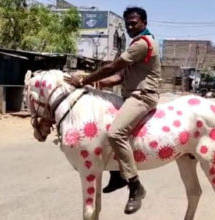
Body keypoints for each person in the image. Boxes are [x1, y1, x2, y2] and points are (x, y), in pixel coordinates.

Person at [65, 7, 161, 215]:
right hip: (130, 95)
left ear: (144, 22)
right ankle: (117, 175)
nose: (129, 26)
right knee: (102, 126)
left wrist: (84, 79)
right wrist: (96, 85)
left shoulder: (143, 44)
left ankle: (135, 187)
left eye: (133, 22)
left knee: (115, 133)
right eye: (127, 22)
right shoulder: (136, 43)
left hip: (142, 96)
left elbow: (113, 67)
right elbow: (119, 77)